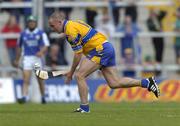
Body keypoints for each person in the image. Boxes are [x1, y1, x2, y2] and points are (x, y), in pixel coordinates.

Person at [48, 11, 160, 113]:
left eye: (52, 26)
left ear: (59, 22)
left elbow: (78, 54)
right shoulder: (73, 24)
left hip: (100, 50)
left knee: (79, 75)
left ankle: (84, 108)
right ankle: (147, 82)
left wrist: (71, 73)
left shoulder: (70, 31)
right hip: (105, 47)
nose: (52, 28)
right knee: (114, 83)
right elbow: (83, 49)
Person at [13, 15, 50, 104]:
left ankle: (43, 96)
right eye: (30, 22)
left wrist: (41, 52)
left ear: (35, 23)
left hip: (37, 59)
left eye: (33, 22)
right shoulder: (23, 34)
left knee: (40, 79)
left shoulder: (41, 33)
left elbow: (46, 45)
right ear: (28, 23)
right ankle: (24, 96)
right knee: (26, 78)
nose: (31, 23)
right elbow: (19, 47)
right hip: (27, 58)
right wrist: (17, 59)